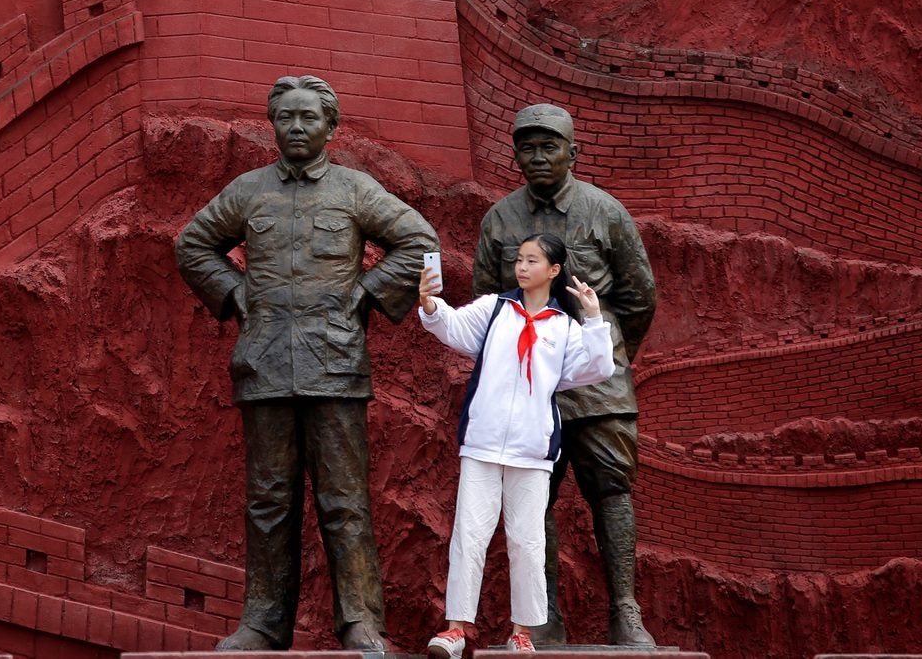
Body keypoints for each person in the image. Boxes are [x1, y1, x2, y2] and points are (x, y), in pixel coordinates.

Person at [174, 75, 438, 652]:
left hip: (336, 366)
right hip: (264, 365)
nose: (297, 128)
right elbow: (193, 244)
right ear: (273, 125)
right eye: (286, 118)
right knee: (268, 501)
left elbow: (419, 241)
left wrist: (367, 295)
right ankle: (263, 622)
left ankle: (361, 623)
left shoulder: (354, 190)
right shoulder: (248, 191)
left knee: (345, 501)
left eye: (308, 118)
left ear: (330, 127)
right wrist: (236, 294)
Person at [472, 103, 658, 646]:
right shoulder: (500, 220)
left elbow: (639, 295)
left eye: (548, 146)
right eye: (527, 147)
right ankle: (541, 616)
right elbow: (487, 302)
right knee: (532, 498)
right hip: (528, 385)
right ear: (515, 156)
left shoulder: (605, 211)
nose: (537, 157)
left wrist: (607, 356)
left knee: (612, 491)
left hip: (599, 384)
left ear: (573, 153)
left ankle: (626, 611)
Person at [417, 233, 616, 657]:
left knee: (527, 541)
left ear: (554, 270)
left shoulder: (564, 326)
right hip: (483, 442)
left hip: (532, 449)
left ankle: (522, 631)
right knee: (469, 535)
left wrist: (595, 317)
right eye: (519, 260)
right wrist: (431, 304)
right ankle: (455, 630)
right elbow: (452, 326)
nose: (522, 268)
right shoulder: (495, 310)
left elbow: (598, 368)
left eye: (532, 260)